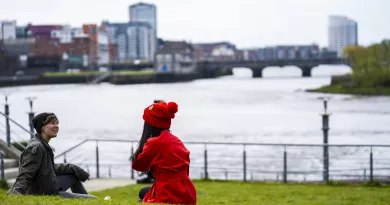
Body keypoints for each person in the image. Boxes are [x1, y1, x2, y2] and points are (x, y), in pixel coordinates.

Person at [7, 112, 98, 199]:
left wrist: (75, 169)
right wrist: (16, 193)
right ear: (42, 127)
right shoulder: (36, 147)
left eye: (57, 123)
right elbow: (25, 174)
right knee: (95, 199)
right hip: (44, 193)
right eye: (52, 123)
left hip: (49, 187)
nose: (56, 126)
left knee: (73, 176)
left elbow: (49, 169)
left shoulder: (43, 144)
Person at [131, 101, 197, 204]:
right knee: (144, 192)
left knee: (142, 194)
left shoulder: (153, 143)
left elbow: (138, 165)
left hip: (167, 193)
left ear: (150, 125)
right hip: (187, 192)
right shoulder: (177, 141)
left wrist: (143, 145)